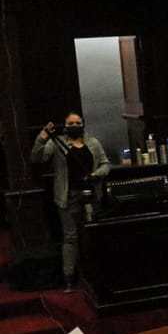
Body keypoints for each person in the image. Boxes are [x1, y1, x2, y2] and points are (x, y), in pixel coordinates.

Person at [30, 113, 109, 291]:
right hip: (67, 197)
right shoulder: (57, 143)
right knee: (70, 237)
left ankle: (94, 274)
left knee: (92, 235)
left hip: (90, 195)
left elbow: (105, 164)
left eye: (78, 123)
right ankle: (69, 278)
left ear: (83, 124)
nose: (74, 125)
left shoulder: (93, 143)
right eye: (70, 123)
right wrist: (42, 138)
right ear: (65, 126)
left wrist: (96, 174)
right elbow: (37, 158)